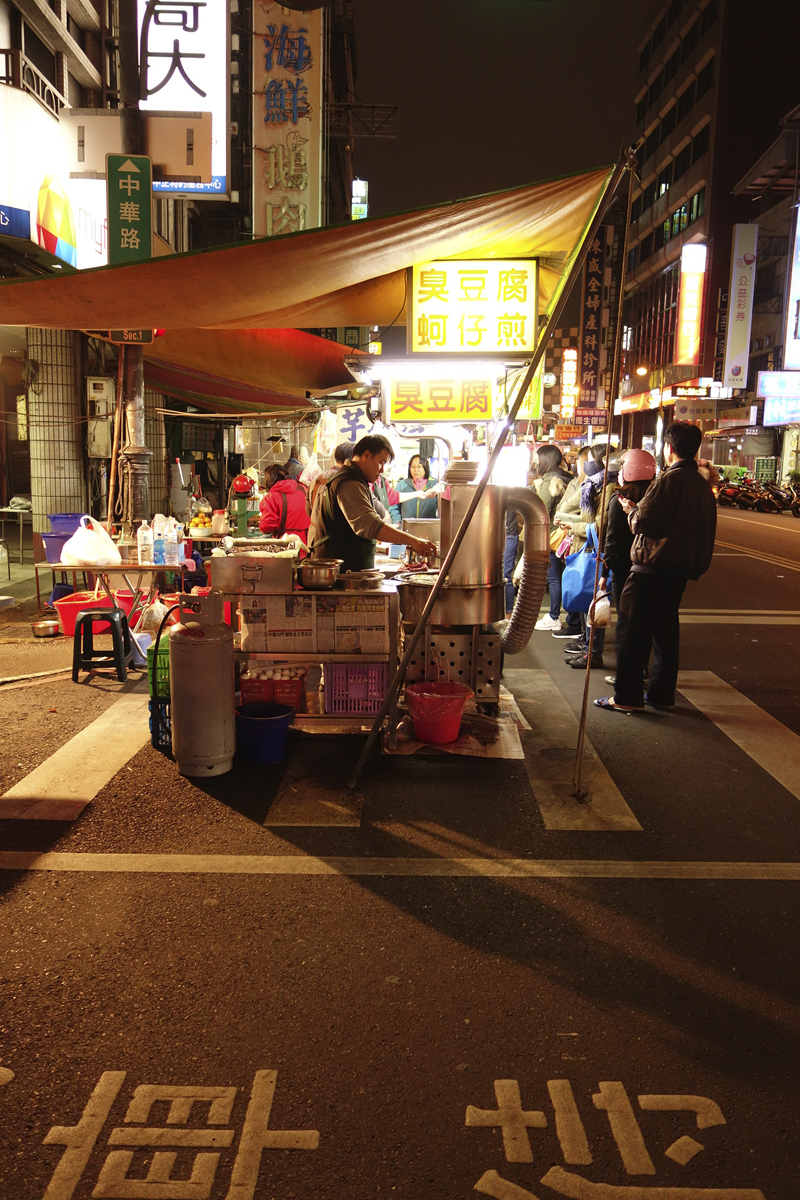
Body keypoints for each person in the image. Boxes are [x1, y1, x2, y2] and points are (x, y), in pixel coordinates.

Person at [595, 421, 717, 714]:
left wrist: (631, 511)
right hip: (680, 570)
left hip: (652, 567)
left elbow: (644, 522)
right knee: (665, 633)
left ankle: (626, 696)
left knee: (631, 632)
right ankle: (661, 694)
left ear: (669, 448)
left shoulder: (668, 481)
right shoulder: (701, 485)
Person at [310, 434, 437, 571]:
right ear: (366, 455)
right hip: (339, 574)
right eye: (381, 462)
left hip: (349, 571)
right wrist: (413, 541)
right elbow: (369, 524)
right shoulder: (348, 483)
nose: (382, 470)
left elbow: (380, 511)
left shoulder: (359, 482)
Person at [599, 449, 657, 687]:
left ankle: (626, 673)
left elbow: (612, 541)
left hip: (624, 569)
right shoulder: (655, 496)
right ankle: (642, 668)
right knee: (645, 621)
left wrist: (603, 572)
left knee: (626, 622)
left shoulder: (619, 499)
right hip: (650, 566)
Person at [530, 445, 572, 630]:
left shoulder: (549, 483)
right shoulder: (569, 478)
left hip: (553, 536)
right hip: (568, 535)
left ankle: (554, 616)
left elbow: (542, 513)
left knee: (554, 577)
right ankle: (571, 617)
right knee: (567, 576)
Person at [258, 464, 311, 549]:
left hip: (285, 548)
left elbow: (266, 526)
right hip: (307, 545)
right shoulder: (304, 489)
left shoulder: (271, 497)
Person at [396, 454, 441, 518]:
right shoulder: (402, 485)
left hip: (429, 527)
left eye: (419, 466)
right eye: (412, 466)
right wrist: (398, 521)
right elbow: (393, 506)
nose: (415, 470)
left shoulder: (435, 485)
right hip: (407, 526)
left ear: (425, 467)